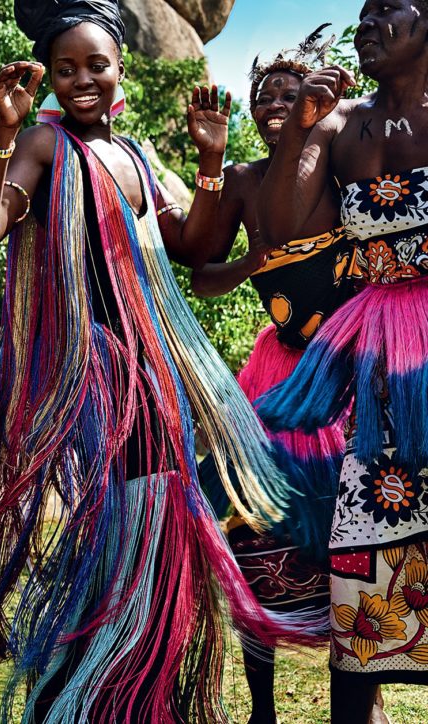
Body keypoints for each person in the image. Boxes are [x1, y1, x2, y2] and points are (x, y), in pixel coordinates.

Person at [0, 0, 316, 720]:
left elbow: (193, 247)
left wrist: (210, 160)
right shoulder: (42, 144)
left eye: (96, 65)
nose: (82, 79)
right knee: (135, 522)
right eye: (66, 68)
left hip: (153, 367)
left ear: (121, 68)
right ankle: (102, 688)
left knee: (152, 527)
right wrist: (2, 133)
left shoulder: (134, 154)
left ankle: (120, 687)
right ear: (50, 77)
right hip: (96, 368)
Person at [256, 1, 428, 720]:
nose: (369, 21)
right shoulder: (339, 123)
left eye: (390, 7)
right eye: (361, 12)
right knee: (371, 531)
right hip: (374, 370)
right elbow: (290, 232)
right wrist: (304, 130)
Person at [189, 29, 364, 724]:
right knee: (252, 527)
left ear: (316, 105)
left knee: (352, 536)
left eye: (291, 96)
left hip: (352, 370)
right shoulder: (242, 182)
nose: (276, 107)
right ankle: (262, 708)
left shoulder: (346, 169)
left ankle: (360, 699)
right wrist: (250, 263)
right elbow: (202, 274)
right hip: (276, 375)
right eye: (264, 96)